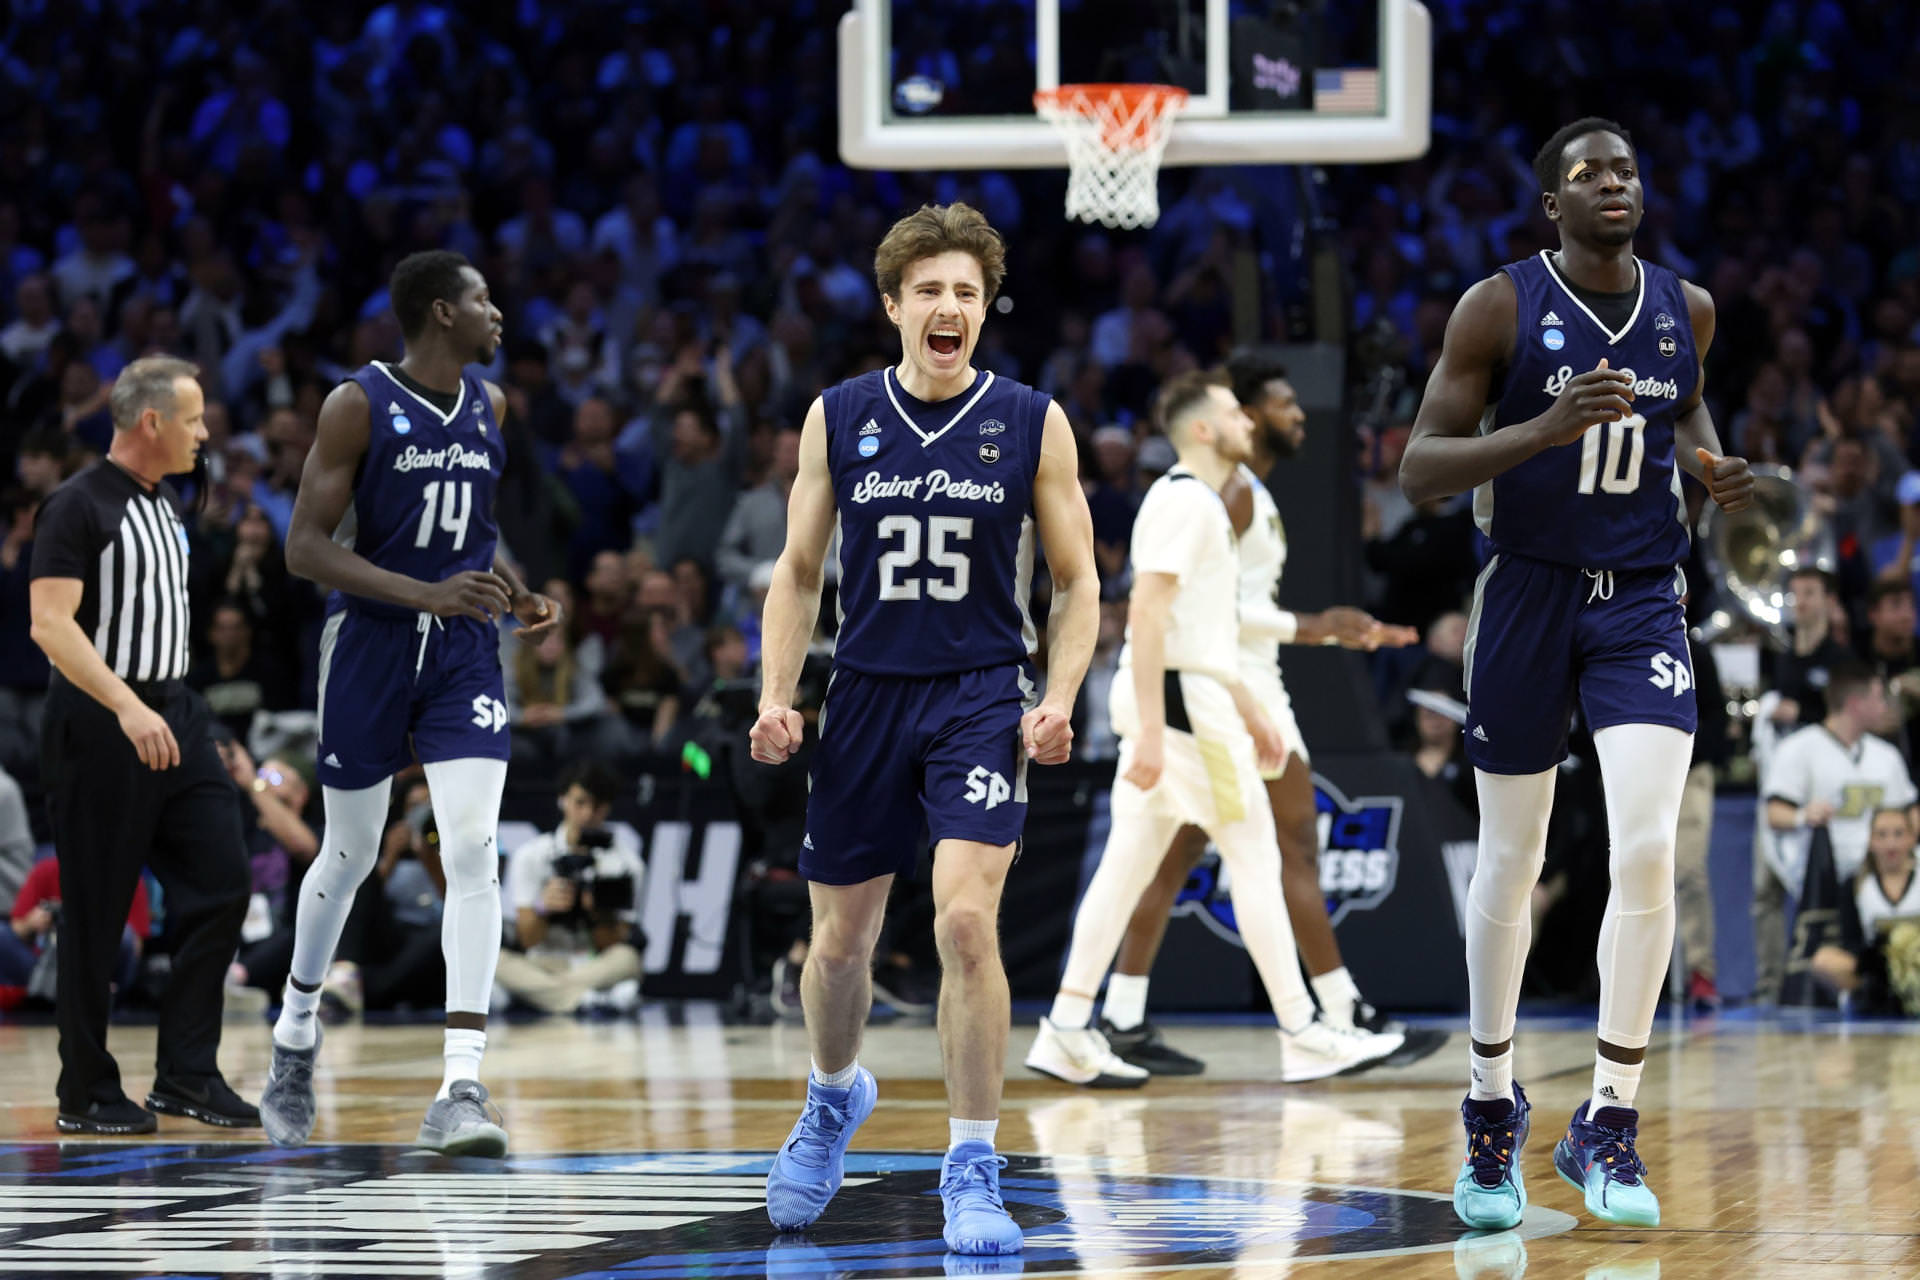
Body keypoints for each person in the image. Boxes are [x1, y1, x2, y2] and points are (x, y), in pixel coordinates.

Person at [1399, 117, 1755, 1230]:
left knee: (1647, 840)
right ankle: (1490, 1101)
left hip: (1643, 592)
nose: (1612, 182)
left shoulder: (1685, 308)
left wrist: (1707, 456)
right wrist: (1543, 430)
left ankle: (1608, 1116)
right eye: (1586, 173)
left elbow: (1684, 398)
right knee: (1515, 854)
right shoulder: (1498, 306)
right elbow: (1419, 470)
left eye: (1625, 170)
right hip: (1528, 591)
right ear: (1551, 203)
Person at [748, 203, 1097, 1256]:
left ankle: (973, 1161)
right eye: (930, 290)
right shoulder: (839, 413)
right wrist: (776, 695)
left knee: (963, 924)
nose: (950, 307)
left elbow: (1080, 584)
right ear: (895, 304)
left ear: (987, 308)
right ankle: (830, 1098)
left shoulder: (1032, 418)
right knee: (840, 943)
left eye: (967, 292)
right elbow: (800, 572)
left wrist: (1061, 695)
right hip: (863, 693)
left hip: (981, 695)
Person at [258, 251, 561, 1157]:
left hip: (463, 653)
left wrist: (511, 588)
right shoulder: (357, 404)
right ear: (441, 312)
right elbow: (305, 550)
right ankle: (295, 1034)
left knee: (471, 848)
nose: (496, 312)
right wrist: (423, 594)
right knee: (346, 854)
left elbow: (465, 532)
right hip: (371, 645)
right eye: (481, 299)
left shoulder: (493, 405)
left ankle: (460, 1083)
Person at [1025, 370, 1402, 1091]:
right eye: (1234, 412)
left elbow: (1205, 630)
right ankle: (1302, 1031)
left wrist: (1249, 705)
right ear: (1203, 429)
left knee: (1126, 869)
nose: (1247, 422)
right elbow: (1145, 618)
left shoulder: (1201, 504)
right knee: (1255, 855)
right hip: (1179, 704)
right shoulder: (1185, 503)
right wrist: (1152, 736)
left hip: (1189, 694)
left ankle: (1068, 1026)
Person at [27, 354, 259, 1133]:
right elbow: (50, 625)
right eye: (193, 419)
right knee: (94, 910)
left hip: (176, 713)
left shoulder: (166, 504)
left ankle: (186, 1075)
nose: (204, 433)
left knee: (223, 883)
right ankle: (85, 1091)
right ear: (151, 421)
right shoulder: (76, 504)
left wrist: (176, 713)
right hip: (102, 719)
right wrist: (127, 706)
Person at [1760, 661, 1918, 955]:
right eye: (1878, 698)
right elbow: (1774, 814)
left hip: (1882, 878)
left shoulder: (1887, 756)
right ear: (1856, 703)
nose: (1885, 706)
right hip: (1824, 882)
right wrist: (1802, 815)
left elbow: (1911, 817)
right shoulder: (1799, 749)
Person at [496, 762, 646, 1015]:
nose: (587, 814)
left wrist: (596, 913)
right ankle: (586, 999)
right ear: (562, 800)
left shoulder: (627, 864)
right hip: (541, 962)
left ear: (607, 808)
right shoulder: (532, 856)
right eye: (580, 802)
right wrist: (544, 907)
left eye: (597, 806)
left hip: (592, 964)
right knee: (495, 961)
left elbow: (614, 942)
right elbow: (526, 939)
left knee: (628, 958)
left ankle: (544, 996)